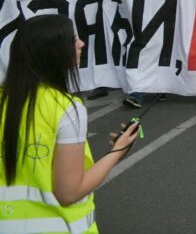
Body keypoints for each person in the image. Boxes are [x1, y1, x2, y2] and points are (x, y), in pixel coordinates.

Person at [0, 15, 140, 232]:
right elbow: (69, 193)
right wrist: (118, 151)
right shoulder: (66, 108)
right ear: (54, 52)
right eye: (73, 39)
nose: (81, 43)